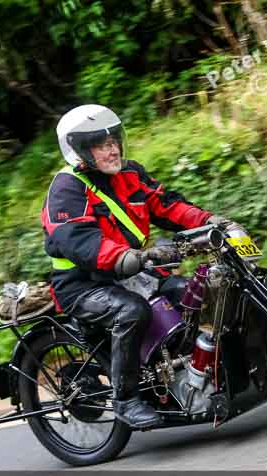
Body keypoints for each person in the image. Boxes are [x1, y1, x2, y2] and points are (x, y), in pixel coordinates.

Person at [41, 104, 231, 429]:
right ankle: (126, 399)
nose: (112, 148)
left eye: (113, 140)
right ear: (80, 150)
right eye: (101, 144)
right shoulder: (66, 190)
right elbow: (78, 240)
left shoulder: (130, 174)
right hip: (84, 285)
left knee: (194, 295)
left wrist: (208, 221)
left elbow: (167, 204)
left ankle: (197, 375)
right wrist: (123, 258)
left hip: (135, 273)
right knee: (132, 312)